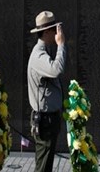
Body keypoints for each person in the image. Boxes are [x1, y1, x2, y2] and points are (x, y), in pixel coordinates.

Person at [27, 11, 67, 172]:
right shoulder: (38, 55)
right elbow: (57, 69)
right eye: (54, 29)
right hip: (45, 121)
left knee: (45, 166)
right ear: (47, 32)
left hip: (49, 120)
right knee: (43, 167)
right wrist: (61, 44)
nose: (57, 33)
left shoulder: (43, 52)